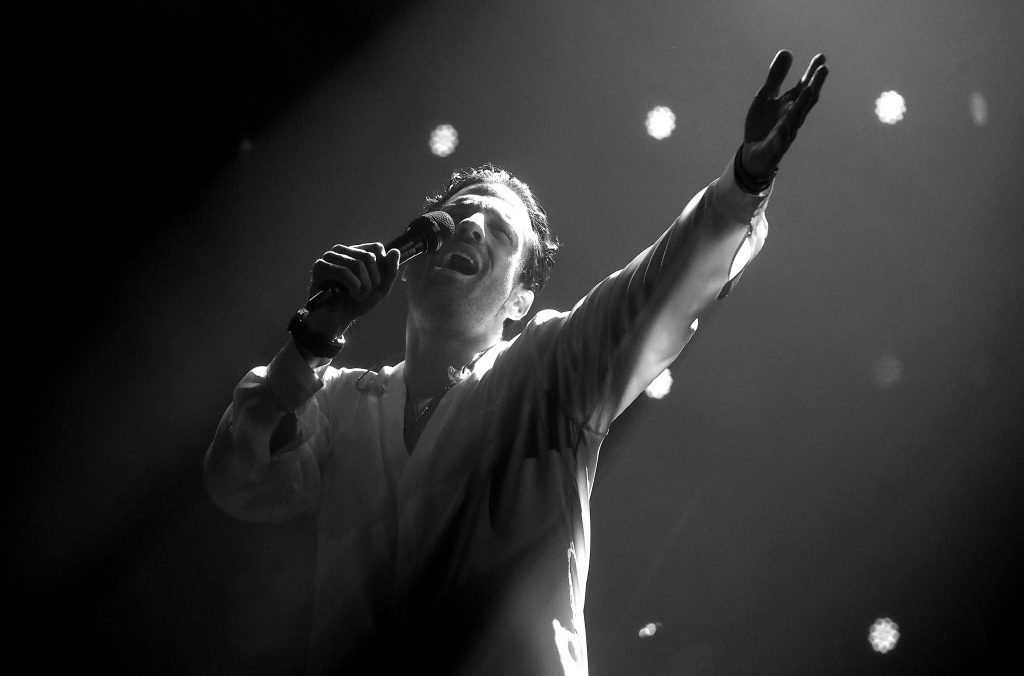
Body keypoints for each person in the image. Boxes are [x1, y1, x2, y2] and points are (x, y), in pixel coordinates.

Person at [204, 50, 828, 675]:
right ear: (412, 260)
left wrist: (745, 181)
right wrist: (312, 339)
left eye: (499, 231)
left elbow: (655, 288)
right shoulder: (340, 402)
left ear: (520, 302)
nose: (470, 226)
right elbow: (244, 483)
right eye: (455, 215)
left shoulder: (549, 370)